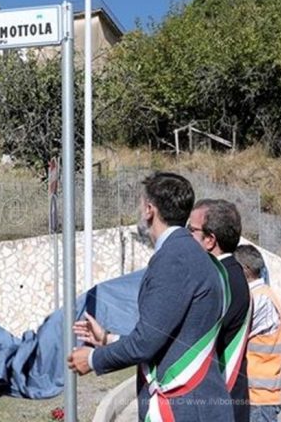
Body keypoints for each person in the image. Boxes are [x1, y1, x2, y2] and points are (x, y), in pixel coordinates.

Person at [68, 172, 233, 421]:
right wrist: (108, 339)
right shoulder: (187, 253)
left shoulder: (173, 258)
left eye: (140, 204)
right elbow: (166, 336)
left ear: (149, 209)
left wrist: (92, 358)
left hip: (182, 408)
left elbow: (146, 343)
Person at [189, 199, 252, 422]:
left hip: (221, 406)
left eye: (191, 230)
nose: (186, 237)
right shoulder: (229, 274)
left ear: (210, 240)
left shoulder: (222, 280)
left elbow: (188, 338)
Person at [234, 244, 281, 422]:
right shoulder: (257, 295)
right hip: (254, 396)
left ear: (245, 270)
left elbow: (236, 334)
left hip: (260, 398)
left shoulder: (260, 298)